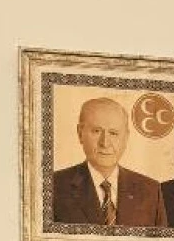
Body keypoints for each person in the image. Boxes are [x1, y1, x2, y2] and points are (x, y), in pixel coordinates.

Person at [53, 95, 166, 226]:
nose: (105, 143)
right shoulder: (54, 186)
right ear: (80, 133)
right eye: (96, 131)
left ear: (126, 138)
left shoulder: (150, 191)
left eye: (113, 133)